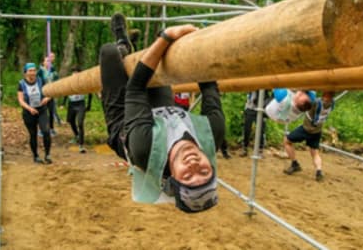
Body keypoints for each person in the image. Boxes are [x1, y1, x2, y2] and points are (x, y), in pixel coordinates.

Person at [100, 13, 225, 213]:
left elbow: (136, 88)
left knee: (110, 54)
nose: (194, 165)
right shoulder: (213, 134)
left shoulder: (145, 150)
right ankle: (133, 48)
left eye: (187, 177)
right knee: (155, 60)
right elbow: (209, 86)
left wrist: (167, 37)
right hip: (166, 117)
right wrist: (194, 45)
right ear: (211, 165)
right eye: (203, 171)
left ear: (171, 177)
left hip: (124, 125)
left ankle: (122, 43)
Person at [283, 91, 336, 181]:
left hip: (306, 129)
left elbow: (304, 102)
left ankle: (295, 164)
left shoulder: (316, 102)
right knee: (314, 152)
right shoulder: (332, 103)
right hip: (317, 131)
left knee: (287, 141)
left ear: (324, 94)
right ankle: (319, 171)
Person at [17, 63, 52, 164]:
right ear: (25, 73)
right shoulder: (21, 84)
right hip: (29, 112)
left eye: (34, 70)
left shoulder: (41, 80)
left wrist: (47, 98)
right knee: (33, 134)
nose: (32, 73)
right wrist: (29, 108)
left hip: (42, 110)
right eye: (30, 71)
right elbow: (21, 100)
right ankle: (36, 156)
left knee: (46, 131)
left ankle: (47, 154)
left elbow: (50, 92)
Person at [62, 66, 92, 154]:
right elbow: (66, 91)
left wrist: (89, 105)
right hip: (71, 104)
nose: (75, 74)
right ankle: (76, 135)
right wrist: (63, 103)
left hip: (81, 104)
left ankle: (81, 145)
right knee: (70, 121)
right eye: (74, 73)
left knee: (80, 123)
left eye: (77, 72)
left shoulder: (84, 81)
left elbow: (90, 92)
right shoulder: (69, 81)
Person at [240, 90, 272, 157]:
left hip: (260, 109)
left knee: (261, 130)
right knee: (247, 129)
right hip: (249, 109)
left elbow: (270, 92)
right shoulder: (249, 87)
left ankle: (260, 150)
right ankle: (245, 148)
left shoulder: (263, 86)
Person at [37, 56, 59, 136]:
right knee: (42, 112)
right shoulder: (40, 72)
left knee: (51, 112)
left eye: (49, 61)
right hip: (42, 94)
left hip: (51, 94)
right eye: (46, 61)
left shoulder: (53, 70)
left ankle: (51, 129)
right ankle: (41, 129)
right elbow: (38, 83)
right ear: (43, 62)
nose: (48, 63)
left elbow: (57, 80)